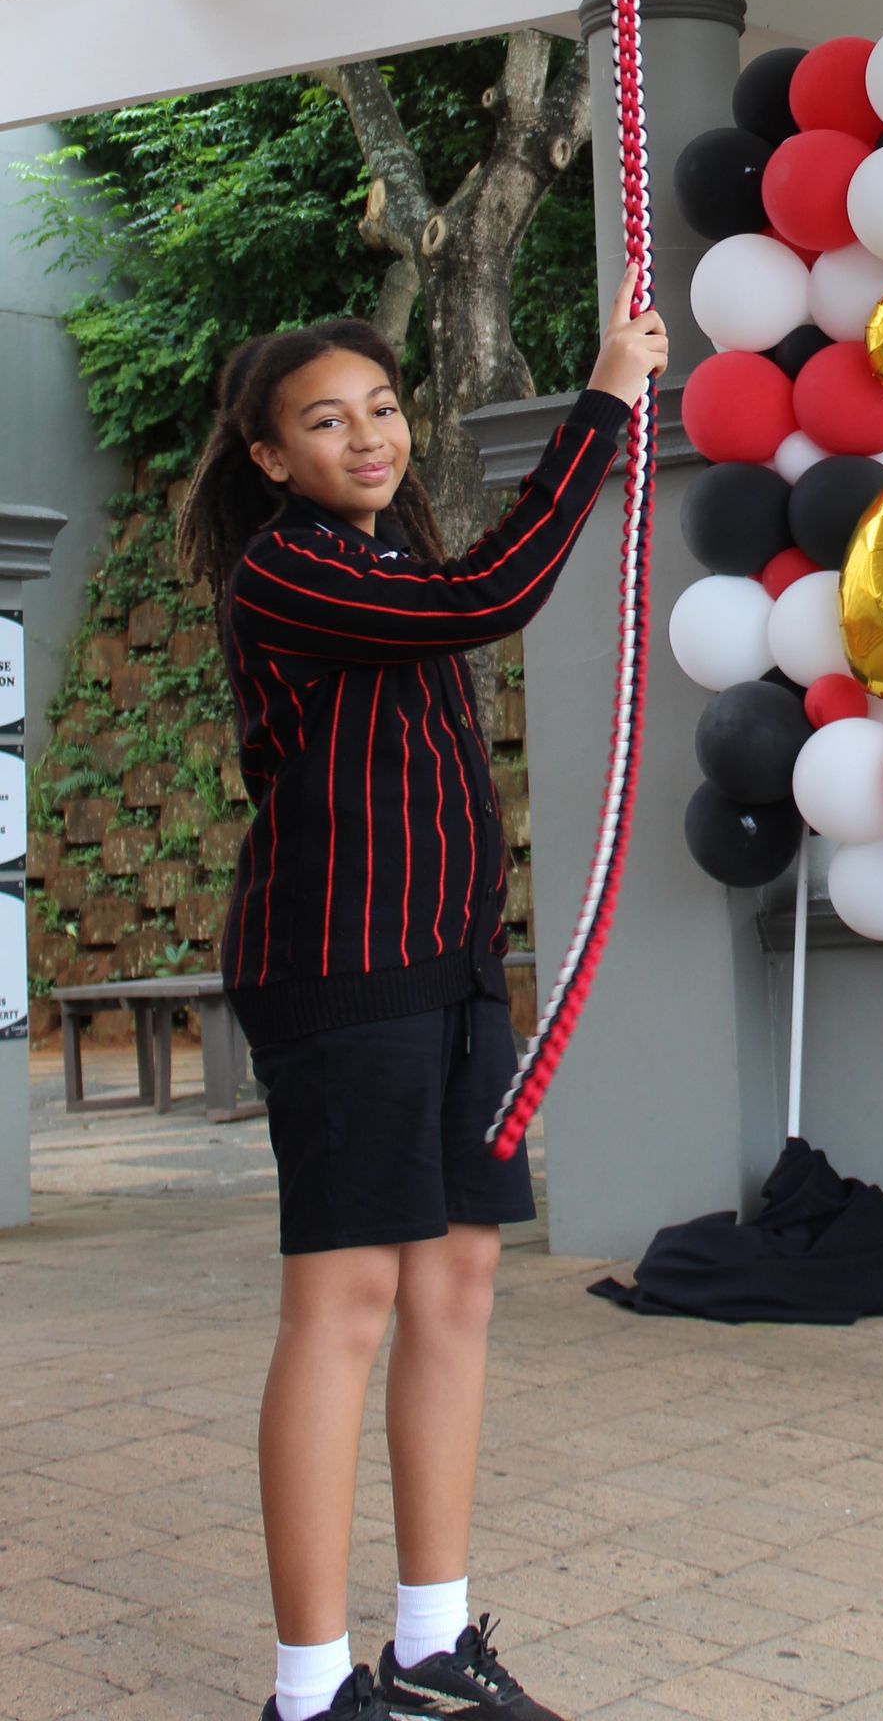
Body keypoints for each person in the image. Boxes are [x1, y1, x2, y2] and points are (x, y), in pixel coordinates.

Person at [175, 270, 668, 1721]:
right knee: (345, 1305)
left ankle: (433, 1638)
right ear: (272, 460)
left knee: (457, 1284)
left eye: (382, 408)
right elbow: (496, 594)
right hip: (342, 973)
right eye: (326, 423)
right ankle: (311, 1689)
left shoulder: (383, 560)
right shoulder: (292, 569)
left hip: (448, 969)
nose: (367, 438)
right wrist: (607, 395)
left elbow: (461, 592)